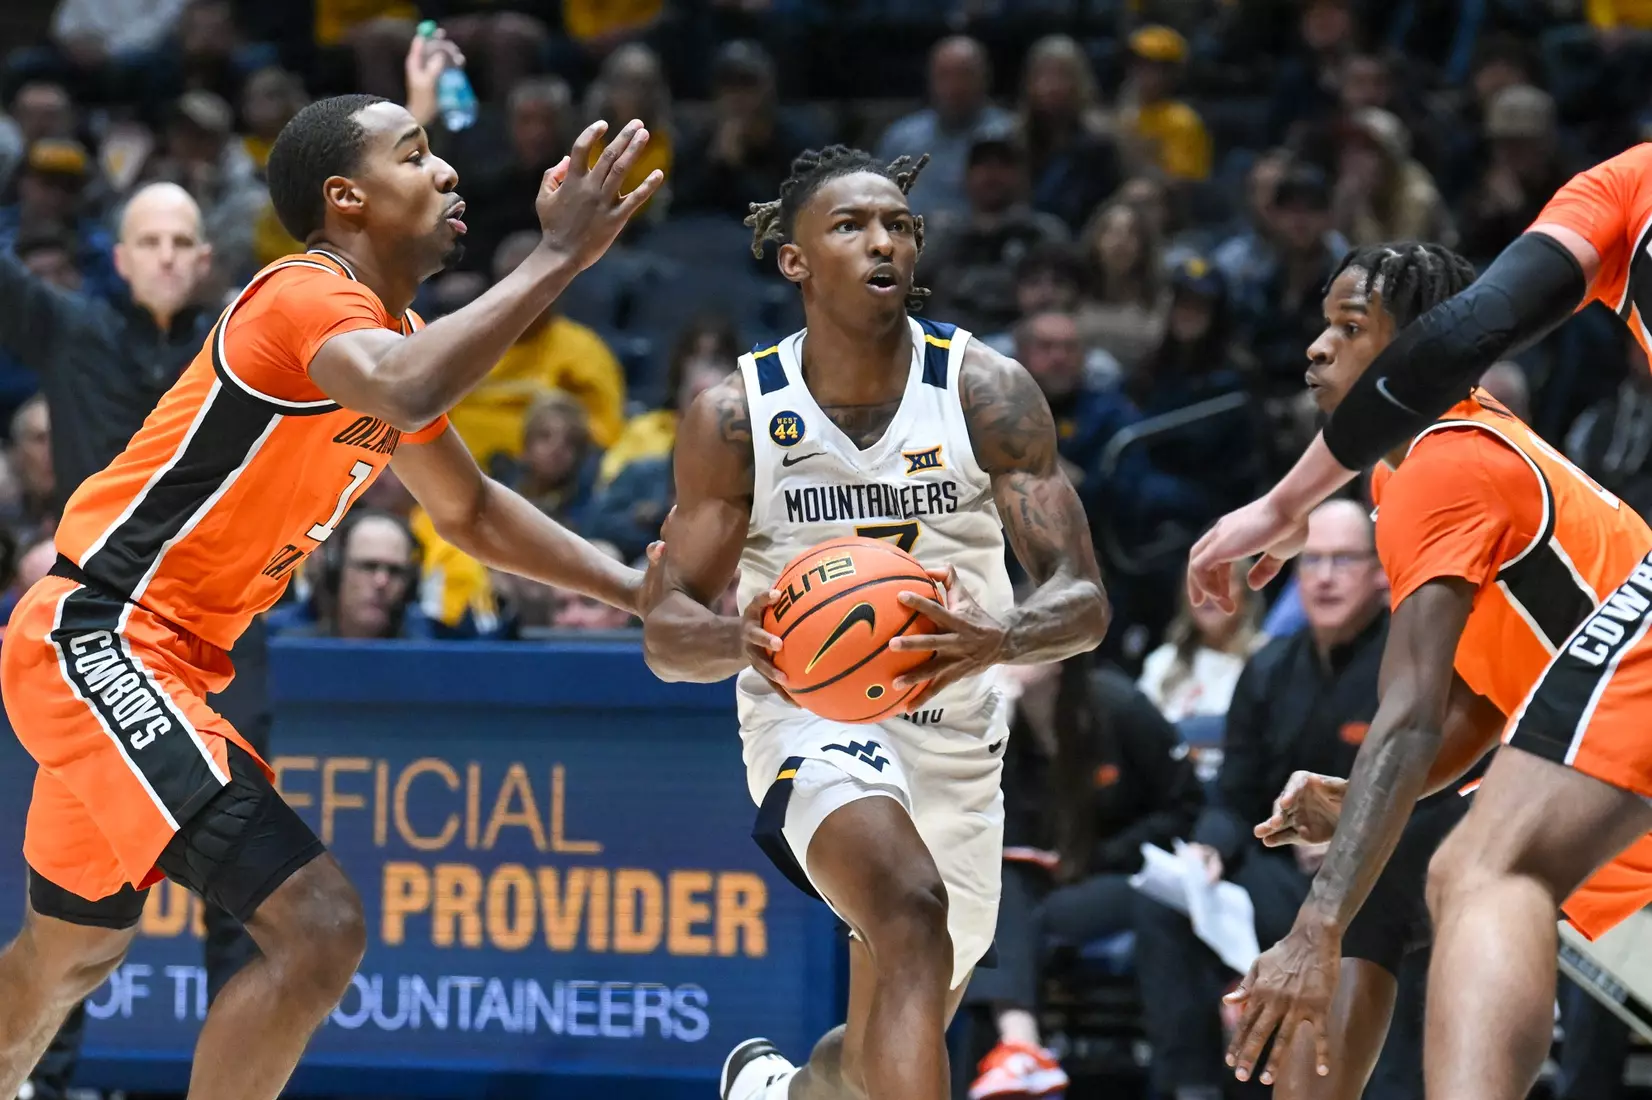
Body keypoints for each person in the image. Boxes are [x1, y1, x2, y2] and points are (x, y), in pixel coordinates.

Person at [0, 95, 661, 1100]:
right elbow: (406, 389)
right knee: (317, 926)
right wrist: (558, 255)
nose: (447, 172)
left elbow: (471, 510)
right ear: (346, 198)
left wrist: (632, 588)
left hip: (156, 660)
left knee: (72, 952)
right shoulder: (301, 296)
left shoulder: (393, 334)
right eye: (417, 155)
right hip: (103, 638)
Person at [639, 145, 1110, 1100]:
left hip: (956, 730)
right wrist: (738, 639)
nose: (882, 241)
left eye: (898, 225)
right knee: (908, 907)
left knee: (874, 1059)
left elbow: (1084, 600)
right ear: (795, 260)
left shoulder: (984, 391)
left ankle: (775, 1092)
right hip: (810, 713)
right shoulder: (736, 416)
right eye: (850, 226)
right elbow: (666, 632)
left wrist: (1002, 638)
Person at [1215, 242, 1652, 1100]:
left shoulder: (1448, 465)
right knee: (1390, 872)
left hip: (1625, 781)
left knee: (1382, 891)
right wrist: (1364, 797)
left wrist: (1315, 926)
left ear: (1422, 347)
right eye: (1323, 325)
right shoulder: (1419, 463)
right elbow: (1487, 695)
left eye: (1351, 328)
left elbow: (1411, 715)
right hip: (1609, 768)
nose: (1317, 348)